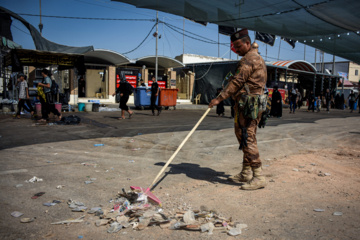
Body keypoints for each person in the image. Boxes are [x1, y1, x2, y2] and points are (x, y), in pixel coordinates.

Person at [209, 29, 267, 190]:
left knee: (247, 138)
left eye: (239, 46)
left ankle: (258, 176)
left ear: (248, 43)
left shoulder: (249, 60)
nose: (236, 49)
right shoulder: (255, 57)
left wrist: (219, 98)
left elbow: (236, 82)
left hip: (249, 105)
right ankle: (246, 172)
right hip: (249, 105)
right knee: (244, 137)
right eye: (234, 46)